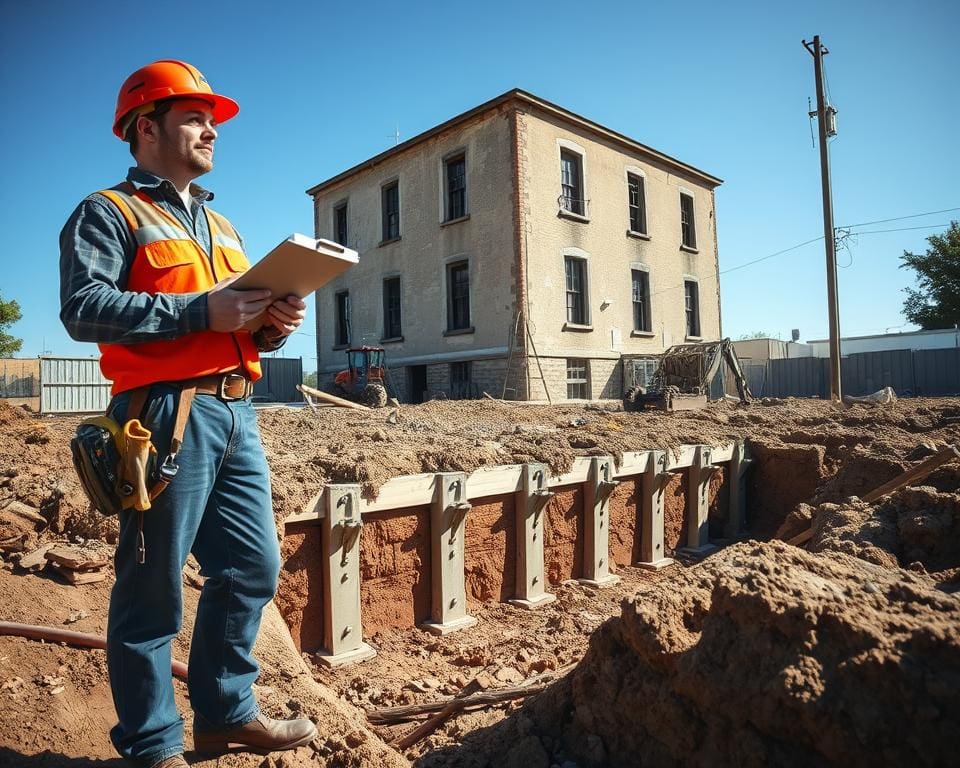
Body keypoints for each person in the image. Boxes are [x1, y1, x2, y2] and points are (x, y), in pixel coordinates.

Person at [59, 60, 316, 768]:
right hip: (162, 415)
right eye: (195, 118)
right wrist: (201, 309)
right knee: (153, 586)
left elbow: (234, 320)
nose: (211, 132)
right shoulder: (108, 212)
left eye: (212, 121)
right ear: (147, 128)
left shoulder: (221, 221)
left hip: (237, 410)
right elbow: (84, 309)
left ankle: (225, 716)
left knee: (252, 568)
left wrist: (273, 323)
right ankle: (152, 745)